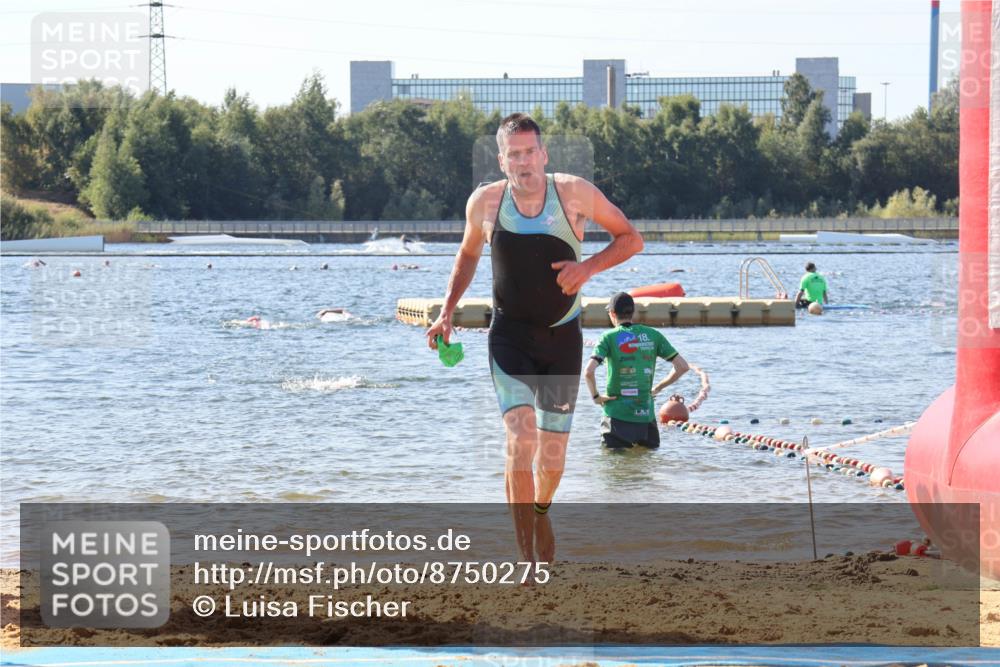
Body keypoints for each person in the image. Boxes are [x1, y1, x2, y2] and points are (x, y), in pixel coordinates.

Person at [425, 113, 643, 555]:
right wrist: (446, 312)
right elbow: (467, 256)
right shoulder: (484, 204)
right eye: (514, 155)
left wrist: (587, 268)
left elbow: (630, 238)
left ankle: (542, 513)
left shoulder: (573, 194)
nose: (524, 163)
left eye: (530, 153)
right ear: (502, 160)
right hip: (509, 338)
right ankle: (525, 551)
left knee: (553, 457)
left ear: (543, 154)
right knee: (520, 439)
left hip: (562, 339)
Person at [585, 292, 689, 449]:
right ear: (632, 312)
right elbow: (682, 367)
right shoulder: (653, 335)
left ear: (612, 314)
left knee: (616, 469)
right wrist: (657, 388)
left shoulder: (608, 337)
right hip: (646, 419)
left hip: (617, 417)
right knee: (646, 468)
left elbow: (588, 372)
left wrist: (596, 397)